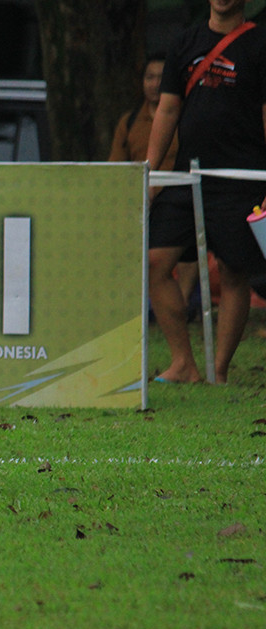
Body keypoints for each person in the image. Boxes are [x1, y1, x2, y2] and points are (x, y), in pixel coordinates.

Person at [147, 0, 266, 384]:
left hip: (242, 177)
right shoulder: (185, 41)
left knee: (234, 271)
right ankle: (184, 363)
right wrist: (149, 174)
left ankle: (218, 370)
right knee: (155, 262)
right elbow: (167, 110)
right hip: (189, 175)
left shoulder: (259, 44)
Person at [109, 54, 197, 319]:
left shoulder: (185, 119)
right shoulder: (129, 121)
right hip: (140, 200)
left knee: (185, 254)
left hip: (177, 197)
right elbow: (116, 165)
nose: (155, 83)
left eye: (161, 77)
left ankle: (179, 307)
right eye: (150, 77)